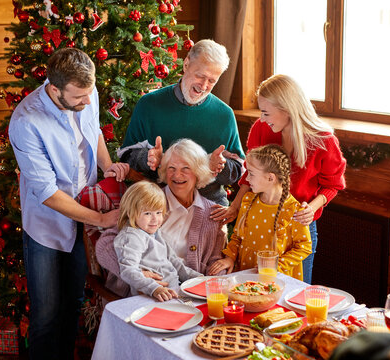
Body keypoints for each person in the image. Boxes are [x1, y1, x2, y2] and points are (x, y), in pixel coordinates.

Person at [9, 48, 129, 360]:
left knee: (75, 301)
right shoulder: (25, 121)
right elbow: (47, 193)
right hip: (46, 226)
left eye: (90, 94)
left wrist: (107, 166)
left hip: (85, 218)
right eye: (78, 97)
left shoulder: (86, 91)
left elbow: (94, 132)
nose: (87, 102)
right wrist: (102, 220)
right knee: (47, 314)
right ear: (53, 89)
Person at [212, 74, 346, 284]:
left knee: (295, 293)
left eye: (266, 113)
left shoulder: (323, 141)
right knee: (252, 288)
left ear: (287, 109)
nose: (262, 119)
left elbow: (332, 185)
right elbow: (250, 175)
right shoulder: (261, 129)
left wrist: (311, 208)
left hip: (296, 226)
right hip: (258, 219)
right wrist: (235, 207)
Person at [118, 39, 245, 206]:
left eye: (212, 81)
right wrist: (148, 159)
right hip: (156, 205)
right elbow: (126, 156)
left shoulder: (225, 114)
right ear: (186, 65)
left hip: (208, 206)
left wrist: (220, 166)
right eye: (200, 76)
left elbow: (238, 170)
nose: (204, 86)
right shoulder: (149, 104)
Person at [96, 139, 227, 296]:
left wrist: (213, 287)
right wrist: (138, 275)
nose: (177, 175)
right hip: (140, 293)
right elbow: (104, 244)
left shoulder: (212, 214)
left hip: (188, 294)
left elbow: (215, 261)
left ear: (198, 172)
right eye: (171, 168)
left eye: (186, 168)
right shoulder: (148, 202)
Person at [208, 144, 312, 280]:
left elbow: (303, 247)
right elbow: (237, 237)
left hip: (276, 281)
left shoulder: (294, 210)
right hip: (244, 276)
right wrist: (230, 258)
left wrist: (276, 266)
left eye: (251, 173)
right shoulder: (248, 201)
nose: (247, 179)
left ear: (270, 178)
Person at [114, 181, 203, 301]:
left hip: (174, 291)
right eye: (147, 213)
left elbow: (174, 261)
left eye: (158, 212)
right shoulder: (132, 237)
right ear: (131, 213)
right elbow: (128, 270)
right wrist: (154, 289)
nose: (155, 219)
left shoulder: (155, 233)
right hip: (151, 296)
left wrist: (197, 278)